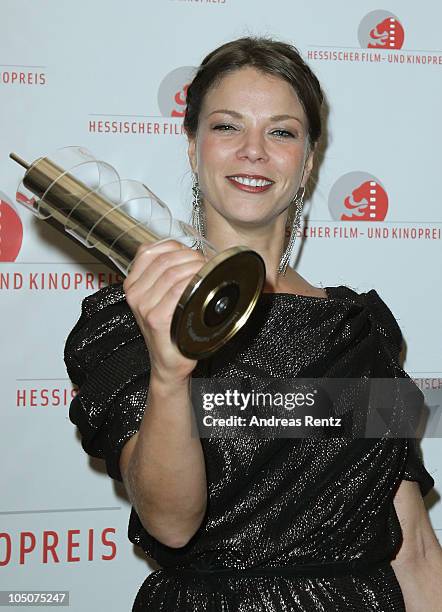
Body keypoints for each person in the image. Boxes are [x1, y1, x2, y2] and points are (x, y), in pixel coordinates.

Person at [64, 37, 442, 611]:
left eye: (282, 132)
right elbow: (170, 523)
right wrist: (170, 373)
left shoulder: (358, 329)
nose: (253, 151)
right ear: (192, 147)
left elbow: (412, 546)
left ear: (308, 160)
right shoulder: (128, 319)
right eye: (226, 127)